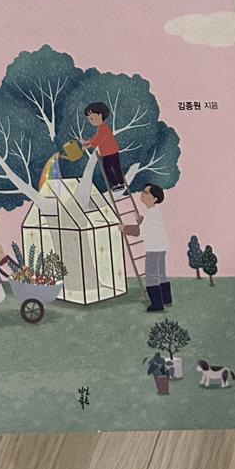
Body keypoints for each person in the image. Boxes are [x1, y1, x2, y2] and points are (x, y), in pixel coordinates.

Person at [122, 184, 170, 312]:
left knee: (151, 275)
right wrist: (141, 220)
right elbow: (148, 227)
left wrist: (124, 228)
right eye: (143, 191)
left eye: (147, 192)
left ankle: (157, 304)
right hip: (161, 247)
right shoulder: (154, 213)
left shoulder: (152, 214)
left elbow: (139, 231)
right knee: (161, 274)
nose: (143, 194)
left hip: (154, 248)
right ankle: (166, 298)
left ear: (155, 198)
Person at [80, 100, 124, 191]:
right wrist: (86, 142)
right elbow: (96, 137)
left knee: (108, 169)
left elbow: (99, 140)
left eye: (92, 118)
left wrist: (87, 146)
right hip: (112, 151)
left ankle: (118, 184)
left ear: (100, 115)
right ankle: (120, 183)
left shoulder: (103, 127)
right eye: (89, 119)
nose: (90, 121)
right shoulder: (102, 127)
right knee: (116, 168)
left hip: (109, 152)